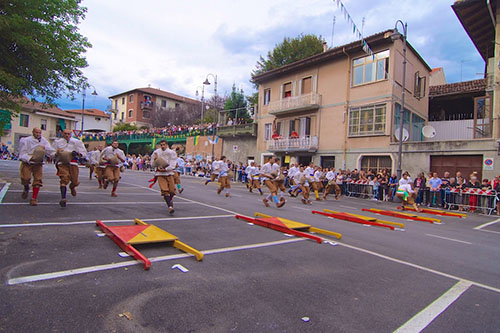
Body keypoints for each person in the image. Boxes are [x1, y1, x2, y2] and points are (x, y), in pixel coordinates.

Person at [18, 127, 55, 206]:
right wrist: (29, 158)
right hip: (27, 161)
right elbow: (22, 152)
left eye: (39, 133)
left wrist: (55, 154)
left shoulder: (43, 141)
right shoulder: (26, 140)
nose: (38, 134)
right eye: (36, 132)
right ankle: (26, 187)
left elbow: (50, 150)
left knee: (38, 180)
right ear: (33, 132)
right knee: (25, 178)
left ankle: (34, 198)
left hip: (38, 163)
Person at [53, 129, 87, 207]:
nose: (67, 135)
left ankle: (72, 187)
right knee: (64, 179)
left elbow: (84, 153)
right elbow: (51, 153)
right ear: (62, 134)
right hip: (62, 163)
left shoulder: (77, 142)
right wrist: (57, 152)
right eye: (65, 133)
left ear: (71, 134)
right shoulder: (57, 142)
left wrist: (78, 154)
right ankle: (63, 198)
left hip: (73, 163)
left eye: (68, 134)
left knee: (75, 181)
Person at [152, 140, 177, 214]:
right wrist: (155, 161)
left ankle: (169, 199)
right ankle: (170, 207)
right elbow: (152, 164)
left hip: (169, 173)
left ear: (167, 145)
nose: (162, 146)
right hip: (160, 174)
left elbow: (173, 164)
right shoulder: (156, 152)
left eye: (164, 145)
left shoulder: (172, 153)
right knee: (165, 190)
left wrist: (165, 169)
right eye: (161, 145)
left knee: (172, 191)